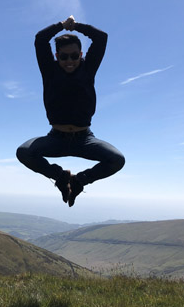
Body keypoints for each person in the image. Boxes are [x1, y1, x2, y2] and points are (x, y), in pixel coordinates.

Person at [16, 15, 125, 207]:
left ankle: (78, 182)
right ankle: (61, 178)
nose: (70, 61)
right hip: (56, 138)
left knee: (117, 160)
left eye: (74, 56)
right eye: (64, 56)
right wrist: (61, 26)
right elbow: (40, 39)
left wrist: (76, 27)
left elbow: (101, 38)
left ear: (81, 55)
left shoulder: (88, 68)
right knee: (24, 152)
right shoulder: (49, 70)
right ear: (56, 56)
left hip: (85, 139)